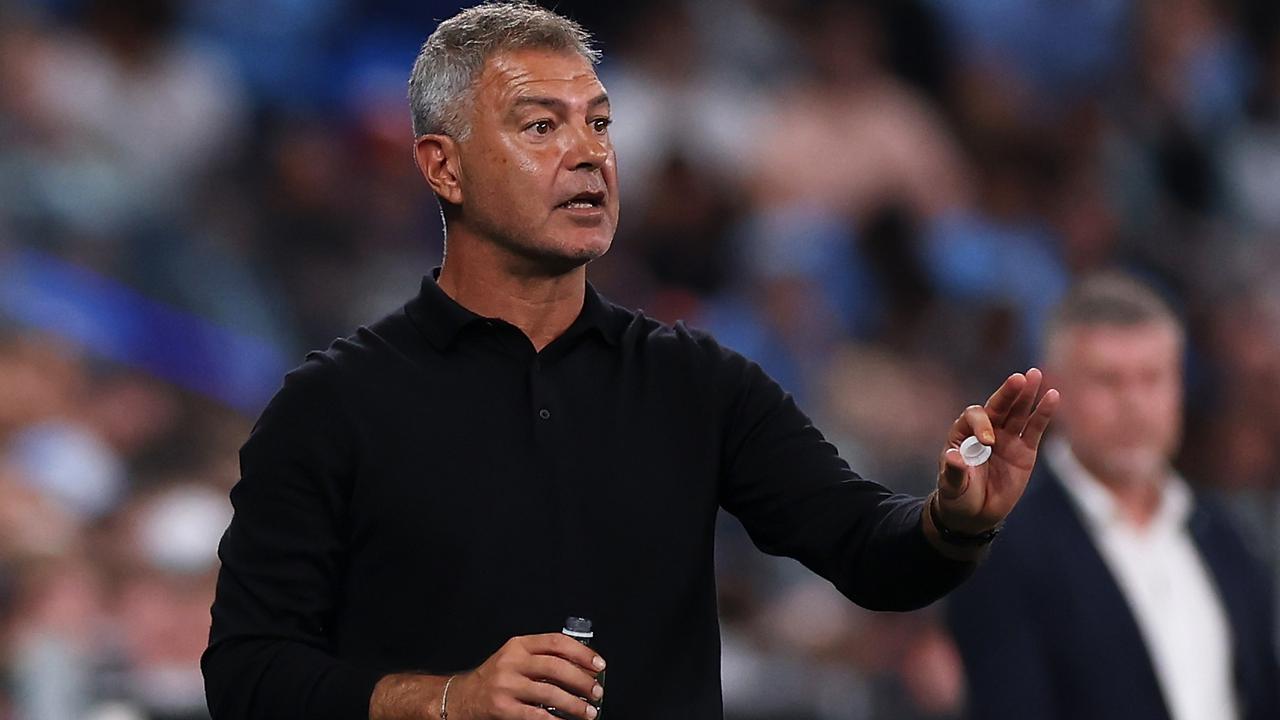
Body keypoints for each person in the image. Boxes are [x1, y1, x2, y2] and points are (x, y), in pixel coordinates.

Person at [201, 4, 1059, 719]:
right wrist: (446, 700)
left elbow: (869, 551)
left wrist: (957, 521)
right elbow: (247, 673)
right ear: (443, 168)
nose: (590, 154)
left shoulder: (696, 383)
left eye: (601, 124)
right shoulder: (333, 405)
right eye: (542, 126)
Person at [946, 272, 1280, 720]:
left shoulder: (1226, 536)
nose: (1134, 403)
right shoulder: (1004, 547)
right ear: (1055, 393)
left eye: (1152, 378)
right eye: (1108, 381)